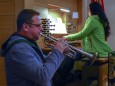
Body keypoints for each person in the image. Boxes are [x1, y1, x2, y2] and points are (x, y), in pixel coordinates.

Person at [0, 9, 69, 86]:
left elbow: (44, 63)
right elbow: (43, 76)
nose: (42, 29)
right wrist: (57, 52)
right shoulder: (18, 49)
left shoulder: (28, 43)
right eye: (38, 25)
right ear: (26, 27)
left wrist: (61, 52)